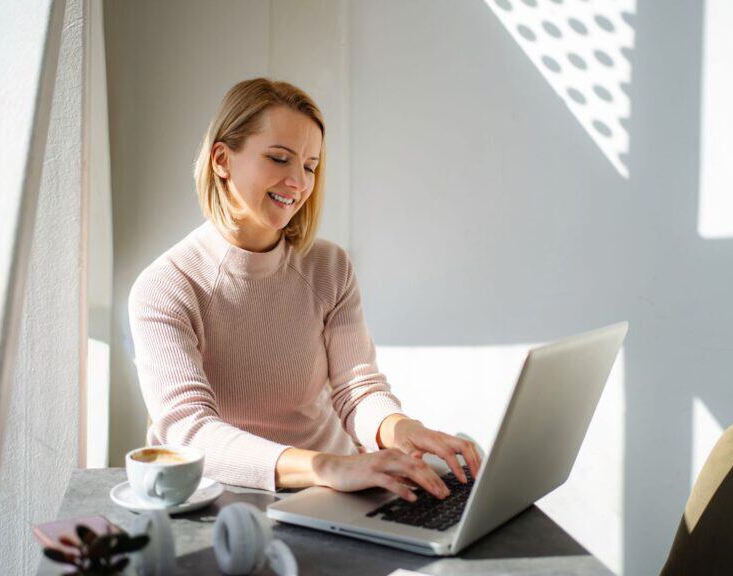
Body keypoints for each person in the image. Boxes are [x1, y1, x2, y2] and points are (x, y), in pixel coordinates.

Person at [129, 78, 481, 503]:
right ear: (222, 160)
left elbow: (357, 389)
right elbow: (190, 431)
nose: (298, 181)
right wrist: (325, 467)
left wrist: (401, 429)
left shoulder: (329, 267)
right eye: (279, 158)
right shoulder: (166, 286)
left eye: (310, 166)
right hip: (235, 498)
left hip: (340, 491)